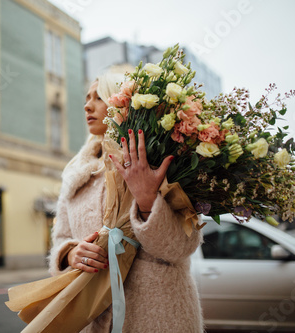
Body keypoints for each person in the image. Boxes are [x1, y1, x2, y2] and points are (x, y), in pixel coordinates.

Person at [48, 73, 204, 332]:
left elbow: (182, 247)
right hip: (91, 317)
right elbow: (61, 238)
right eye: (87, 98)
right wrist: (70, 254)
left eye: (99, 97)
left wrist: (146, 199)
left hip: (159, 317)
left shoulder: (161, 159)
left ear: (123, 103)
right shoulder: (76, 173)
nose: (88, 105)